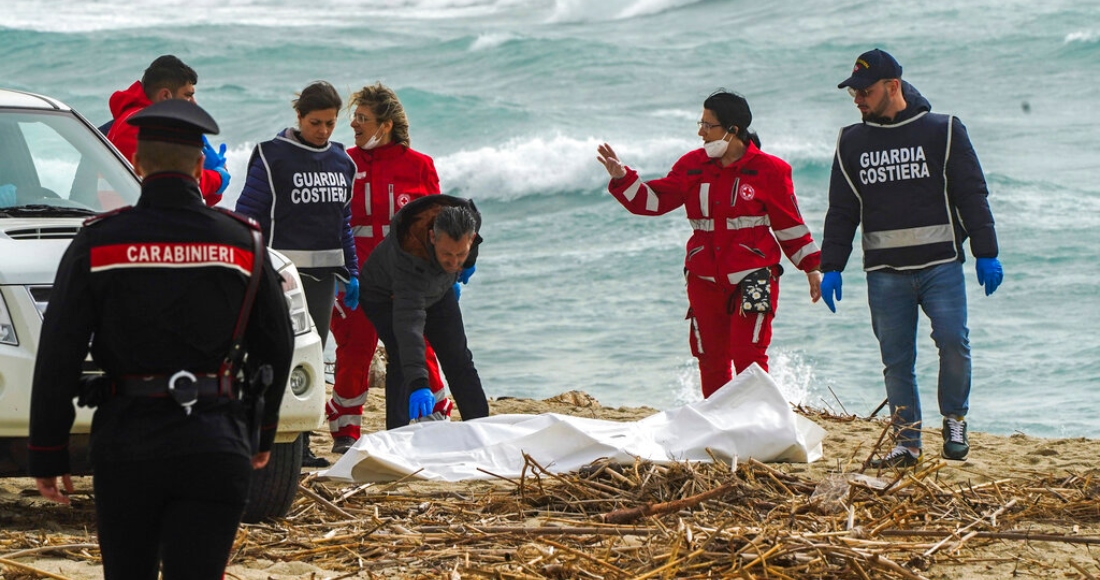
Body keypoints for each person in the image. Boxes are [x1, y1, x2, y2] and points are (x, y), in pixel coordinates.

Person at [28, 99, 294, 579]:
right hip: (216, 440)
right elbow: (277, 344)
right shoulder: (244, 242)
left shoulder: (99, 242)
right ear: (199, 166)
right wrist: (263, 430)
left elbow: (59, 353)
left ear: (136, 162)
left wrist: (48, 449)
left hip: (128, 441)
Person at [820, 49, 1004, 468]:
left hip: (941, 264)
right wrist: (831, 264)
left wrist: (985, 252)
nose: (858, 99)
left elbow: (971, 194)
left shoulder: (944, 131)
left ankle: (954, 420)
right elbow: (842, 209)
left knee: (954, 343)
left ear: (893, 86)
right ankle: (907, 442)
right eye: (853, 92)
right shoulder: (851, 142)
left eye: (864, 91)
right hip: (884, 273)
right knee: (896, 360)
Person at [596, 91, 822, 399]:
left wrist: (812, 268)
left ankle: (759, 423)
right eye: (700, 123)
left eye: (707, 124)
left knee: (748, 356)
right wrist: (623, 179)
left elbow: (789, 225)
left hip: (755, 276)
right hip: (704, 280)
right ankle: (718, 427)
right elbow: (654, 201)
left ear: (733, 129)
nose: (700, 132)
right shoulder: (691, 165)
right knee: (711, 359)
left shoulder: (771, 170)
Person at [327, 82, 460, 454]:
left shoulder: (420, 166)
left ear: (385, 125)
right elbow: (329, 219)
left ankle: (434, 420)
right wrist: (339, 273)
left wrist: (449, 273)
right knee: (354, 349)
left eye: (363, 118)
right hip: (356, 278)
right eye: (354, 117)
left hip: (409, 280)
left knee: (419, 345)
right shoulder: (342, 162)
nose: (353, 123)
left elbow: (441, 225)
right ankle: (345, 432)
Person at [234, 80, 358, 467]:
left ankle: (300, 444)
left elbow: (344, 222)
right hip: (280, 278)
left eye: (330, 123)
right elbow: (248, 213)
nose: (323, 131)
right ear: (299, 117)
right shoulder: (273, 157)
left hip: (322, 280)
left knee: (311, 358)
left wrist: (352, 271)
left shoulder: (343, 162)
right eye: (316, 122)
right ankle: (264, 438)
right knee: (274, 356)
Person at [359, 194, 490, 430]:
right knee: (402, 356)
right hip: (384, 295)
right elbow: (409, 329)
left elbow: (471, 246)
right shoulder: (410, 256)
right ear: (432, 237)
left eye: (460, 254)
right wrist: (420, 384)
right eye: (447, 254)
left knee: (458, 357)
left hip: (438, 289)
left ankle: (481, 427)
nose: (453, 262)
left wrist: (468, 263)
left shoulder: (469, 222)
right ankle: (398, 434)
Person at [105, 55, 230, 206]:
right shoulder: (140, 127)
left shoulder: (137, 119)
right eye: (187, 96)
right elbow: (176, 185)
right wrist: (217, 178)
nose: (194, 103)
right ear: (165, 96)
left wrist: (209, 181)